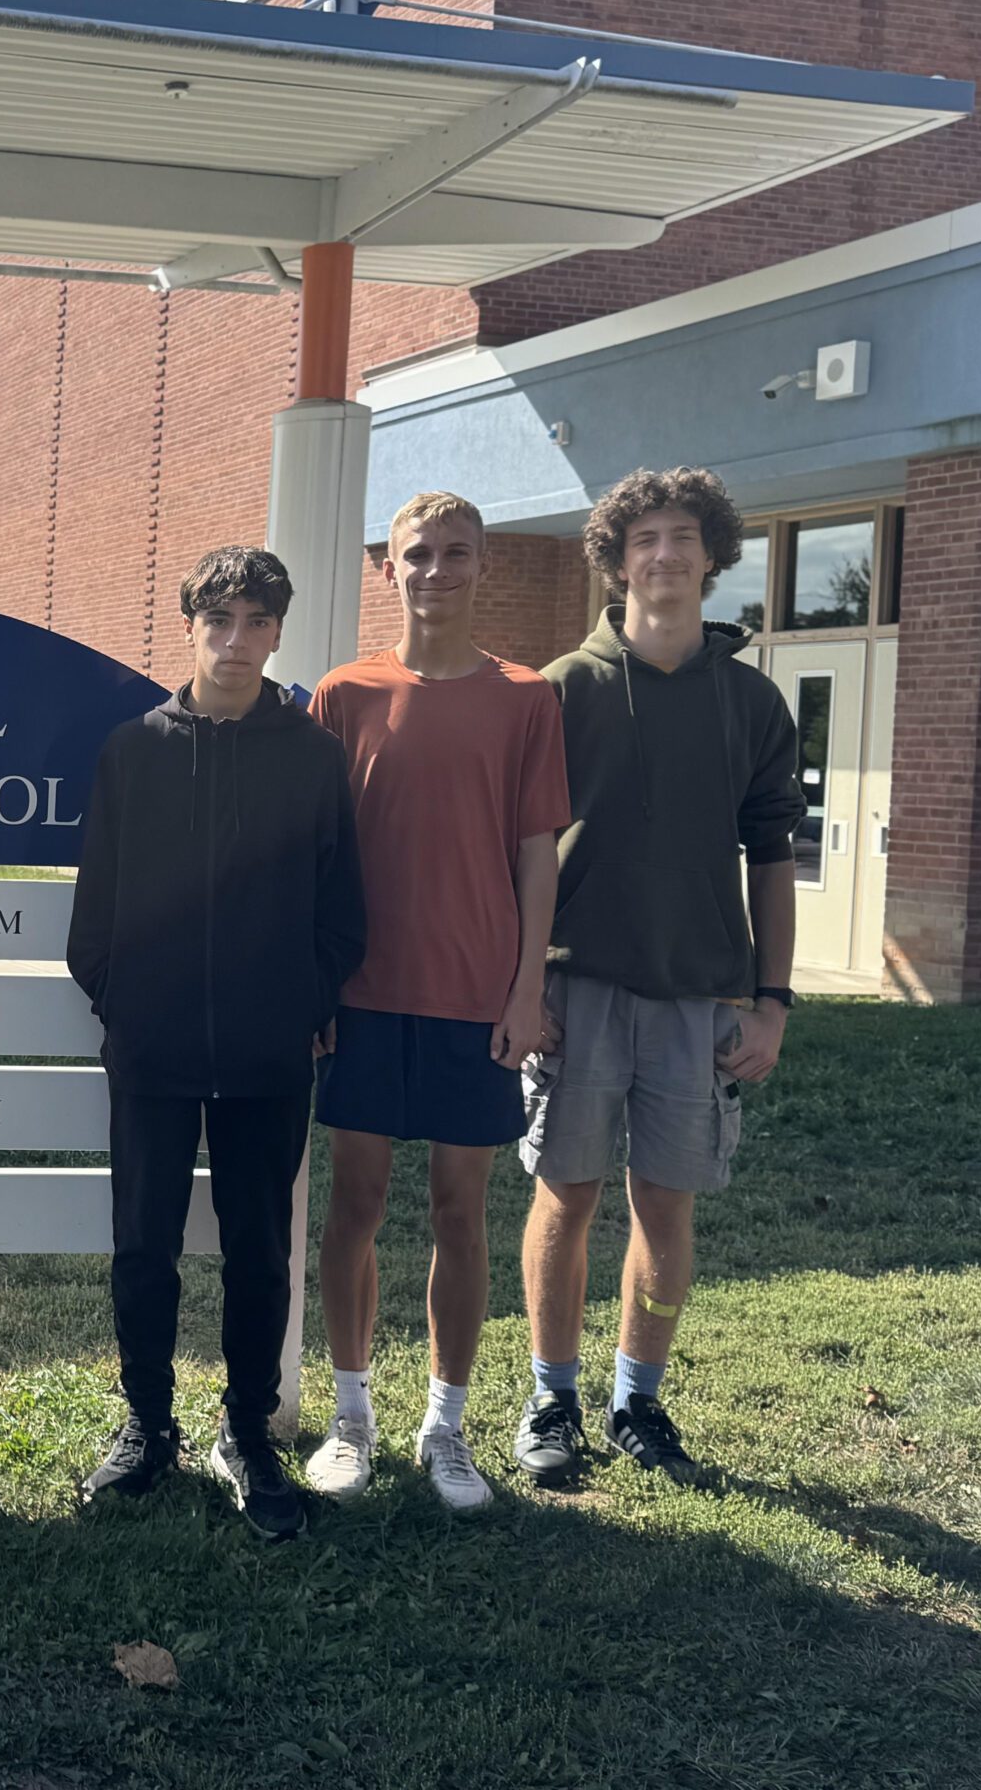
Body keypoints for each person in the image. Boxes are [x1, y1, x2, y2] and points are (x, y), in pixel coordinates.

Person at [69, 546, 365, 1541]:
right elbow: (96, 913)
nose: (234, 643)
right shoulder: (134, 751)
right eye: (217, 622)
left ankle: (246, 1435)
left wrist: (302, 1000)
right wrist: (123, 1002)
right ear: (189, 627)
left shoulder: (312, 757)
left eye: (254, 622)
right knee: (142, 1245)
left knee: (257, 1255)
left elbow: (341, 908)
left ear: (278, 631)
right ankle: (147, 1426)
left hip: (266, 1054)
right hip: (150, 1048)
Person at [514, 469, 802, 1486]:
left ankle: (639, 1399)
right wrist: (522, 981)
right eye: (644, 538)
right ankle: (551, 1395)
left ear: (712, 557)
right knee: (565, 1194)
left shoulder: (751, 703)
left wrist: (771, 1001)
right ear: (615, 557)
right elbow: (528, 852)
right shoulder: (562, 688)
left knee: (665, 1206)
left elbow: (772, 860)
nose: (665, 555)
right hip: (574, 989)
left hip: (699, 1001)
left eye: (684, 537)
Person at [304, 491, 569, 1514]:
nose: (436, 570)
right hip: (365, 995)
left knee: (461, 1215)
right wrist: (317, 986)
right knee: (356, 1206)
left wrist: (525, 987)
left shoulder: (524, 699)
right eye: (418, 554)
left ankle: (444, 1426)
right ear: (388, 569)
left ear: (483, 567)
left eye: (456, 554)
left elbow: (535, 853)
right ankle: (349, 1417)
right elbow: (320, 856)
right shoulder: (344, 693)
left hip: (475, 1003)